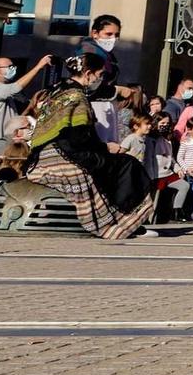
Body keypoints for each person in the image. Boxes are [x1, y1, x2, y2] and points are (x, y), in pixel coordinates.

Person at [24, 51, 153, 240]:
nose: (99, 79)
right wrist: (105, 147)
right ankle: (122, 222)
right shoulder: (77, 97)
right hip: (66, 156)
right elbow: (79, 139)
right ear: (88, 74)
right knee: (127, 165)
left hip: (40, 157)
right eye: (99, 75)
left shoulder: (57, 91)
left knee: (112, 163)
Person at [0, 54, 51, 146]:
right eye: (9, 67)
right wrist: (39, 66)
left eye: (13, 66)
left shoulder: (5, 93)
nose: (13, 69)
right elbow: (16, 87)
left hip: (6, 142)